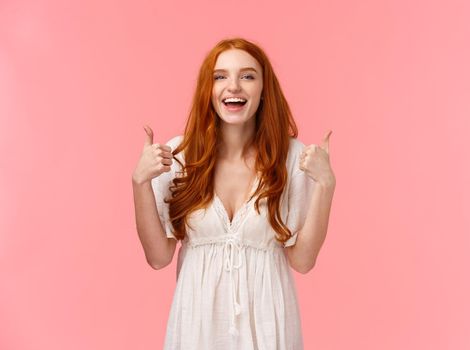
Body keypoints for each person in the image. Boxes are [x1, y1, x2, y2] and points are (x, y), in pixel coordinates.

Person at [131, 37, 336, 350]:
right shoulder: (179, 156)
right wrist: (140, 182)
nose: (234, 86)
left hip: (268, 328)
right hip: (196, 329)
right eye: (220, 76)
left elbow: (303, 260)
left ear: (264, 90)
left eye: (248, 76)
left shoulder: (292, 158)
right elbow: (158, 257)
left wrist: (326, 185)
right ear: (208, 90)